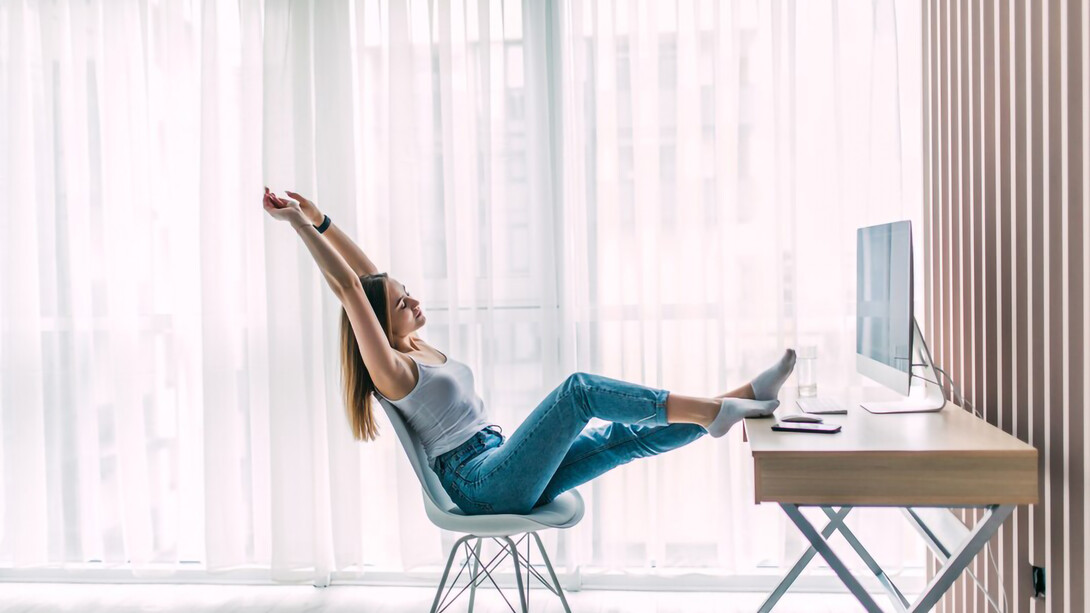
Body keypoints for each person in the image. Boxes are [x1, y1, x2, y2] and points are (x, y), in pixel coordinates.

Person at [263, 188, 795, 516]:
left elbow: (369, 279)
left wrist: (323, 218)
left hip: (498, 464)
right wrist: (296, 226)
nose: (415, 300)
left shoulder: (412, 344)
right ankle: (713, 412)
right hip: (480, 485)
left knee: (624, 436)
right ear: (382, 323)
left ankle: (745, 396)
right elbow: (353, 290)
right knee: (579, 392)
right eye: (404, 302)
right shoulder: (393, 370)